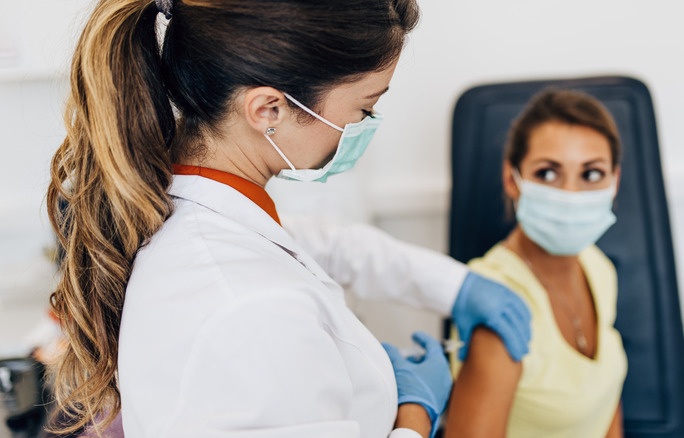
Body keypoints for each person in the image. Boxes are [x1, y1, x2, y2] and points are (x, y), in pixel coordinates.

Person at [45, 1, 532, 437]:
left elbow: (323, 245)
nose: (366, 127)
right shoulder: (245, 305)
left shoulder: (198, 206)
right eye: (365, 108)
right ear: (269, 109)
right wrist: (414, 414)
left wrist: (456, 286)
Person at [445, 90, 628, 438]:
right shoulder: (496, 305)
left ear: (614, 181)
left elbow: (605, 404)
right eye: (547, 173)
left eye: (591, 174)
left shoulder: (598, 267)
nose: (570, 194)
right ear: (512, 179)